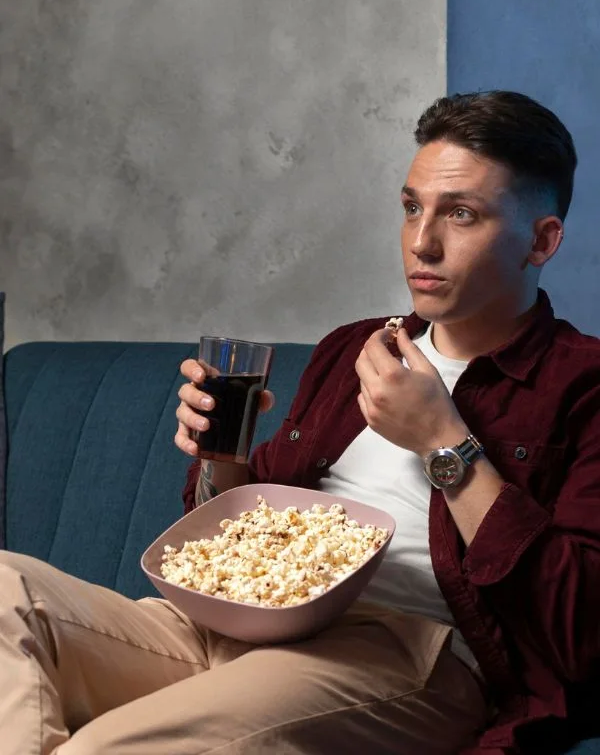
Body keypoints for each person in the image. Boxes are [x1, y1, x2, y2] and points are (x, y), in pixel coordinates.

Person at [1, 91, 598, 755]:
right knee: (5, 590)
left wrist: (442, 442)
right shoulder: (352, 349)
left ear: (541, 241)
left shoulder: (583, 385)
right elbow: (249, 537)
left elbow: (582, 633)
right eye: (412, 208)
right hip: (236, 622)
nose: (422, 243)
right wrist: (221, 459)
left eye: (461, 214)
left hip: (397, 651)